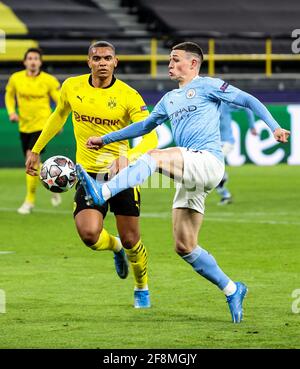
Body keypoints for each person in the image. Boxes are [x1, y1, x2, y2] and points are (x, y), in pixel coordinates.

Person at [75, 41, 290, 323]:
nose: (170, 64)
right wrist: (106, 138)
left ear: (193, 64)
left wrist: (273, 126)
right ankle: (233, 288)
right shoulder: (168, 99)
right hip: (191, 174)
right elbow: (144, 126)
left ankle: (102, 192)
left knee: (154, 156)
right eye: (169, 60)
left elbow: (248, 100)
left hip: (207, 162)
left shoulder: (209, 85)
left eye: (175, 60)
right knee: (185, 246)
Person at [26, 41, 158, 308]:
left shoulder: (128, 95)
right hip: (87, 175)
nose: (102, 63)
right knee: (89, 235)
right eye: (96, 58)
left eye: (107, 58)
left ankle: (141, 287)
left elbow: (151, 137)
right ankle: (115, 247)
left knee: (133, 239)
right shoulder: (72, 87)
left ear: (115, 62)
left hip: (121, 177)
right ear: (89, 61)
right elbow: (58, 115)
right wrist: (37, 149)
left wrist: (127, 157)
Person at [5, 47, 62, 214]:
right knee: (33, 163)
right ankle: (54, 184)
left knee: (31, 157)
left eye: (36, 58)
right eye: (30, 58)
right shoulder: (16, 79)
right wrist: (11, 112)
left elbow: (60, 104)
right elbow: (9, 95)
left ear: (40, 62)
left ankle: (29, 201)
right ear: (25, 62)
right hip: (24, 126)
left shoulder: (49, 80)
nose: (33, 61)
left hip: (42, 126)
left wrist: (57, 124)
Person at [216, 102, 258, 205]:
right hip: (214, 144)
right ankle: (225, 194)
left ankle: (222, 176)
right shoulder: (204, 105)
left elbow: (247, 106)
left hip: (226, 142)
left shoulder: (223, 104)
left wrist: (252, 126)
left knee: (212, 166)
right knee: (210, 170)